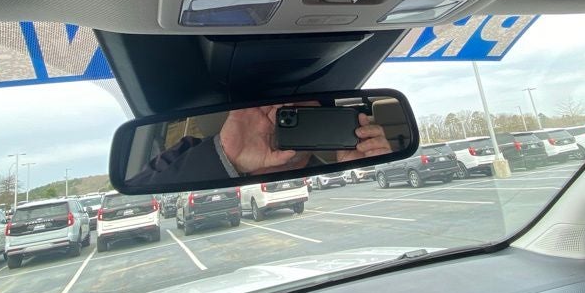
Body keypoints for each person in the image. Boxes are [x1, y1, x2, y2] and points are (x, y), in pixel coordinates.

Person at [133, 105, 391, 187]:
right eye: (278, 109)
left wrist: (362, 171)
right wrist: (226, 157)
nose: (279, 116)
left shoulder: (327, 174)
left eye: (301, 112)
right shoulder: (187, 154)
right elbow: (137, 195)